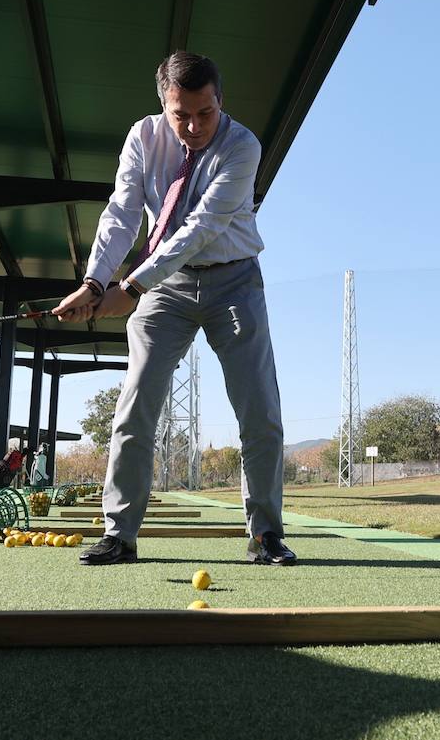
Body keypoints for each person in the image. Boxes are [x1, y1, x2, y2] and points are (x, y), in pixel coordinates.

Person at [53, 51, 295, 567]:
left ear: (219, 102)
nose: (191, 126)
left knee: (260, 412)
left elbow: (202, 225)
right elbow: (120, 211)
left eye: (204, 113)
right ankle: (119, 534)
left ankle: (266, 534)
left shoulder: (243, 145)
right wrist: (95, 282)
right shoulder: (143, 136)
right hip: (165, 289)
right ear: (163, 103)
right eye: (179, 114)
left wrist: (132, 286)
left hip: (234, 280)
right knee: (135, 408)